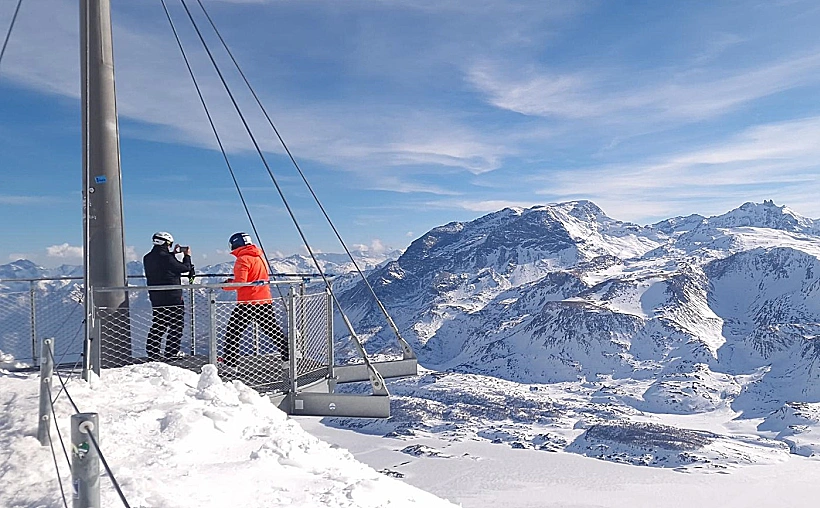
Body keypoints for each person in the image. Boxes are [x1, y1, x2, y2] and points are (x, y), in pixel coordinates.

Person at [220, 232, 287, 370]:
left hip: (248, 302)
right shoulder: (259, 257)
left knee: (233, 331)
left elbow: (240, 282)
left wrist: (224, 285)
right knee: (273, 331)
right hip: (264, 300)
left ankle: (230, 364)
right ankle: (288, 357)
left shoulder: (243, 259)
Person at [143, 231, 194, 360]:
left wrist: (173, 254)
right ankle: (171, 351)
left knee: (159, 323)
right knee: (176, 324)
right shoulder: (166, 258)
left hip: (156, 296)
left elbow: (164, 262)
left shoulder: (148, 257)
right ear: (166, 243)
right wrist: (187, 256)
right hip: (172, 296)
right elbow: (184, 268)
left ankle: (153, 352)